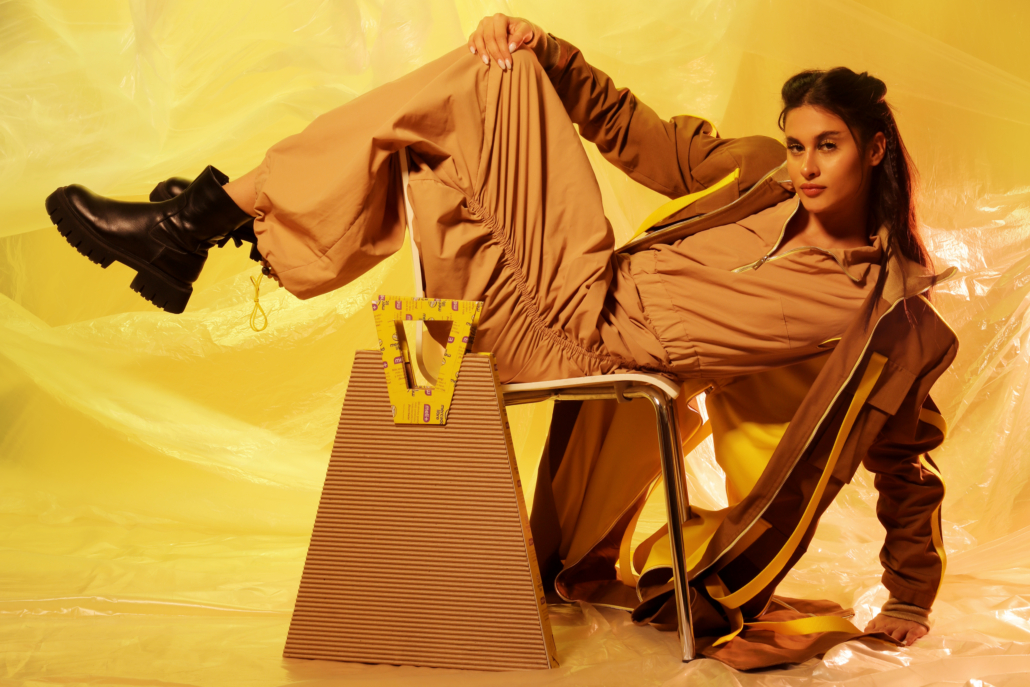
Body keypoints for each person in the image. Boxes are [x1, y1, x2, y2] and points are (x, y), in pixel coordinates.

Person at [43, 13, 957, 669]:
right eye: (797, 144)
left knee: (486, 83)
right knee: (474, 97)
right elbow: (637, 136)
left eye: (827, 147)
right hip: (559, 297)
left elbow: (906, 455)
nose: (804, 165)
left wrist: (910, 592)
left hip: (597, 339)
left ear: (875, 150)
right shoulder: (758, 176)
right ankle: (204, 223)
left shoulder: (889, 311)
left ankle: (200, 221)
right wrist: (550, 49)